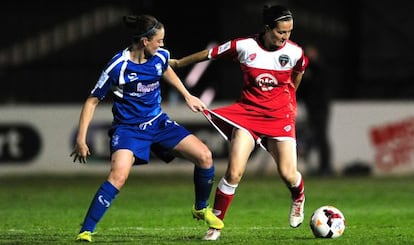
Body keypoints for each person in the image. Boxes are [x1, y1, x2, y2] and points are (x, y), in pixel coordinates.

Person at [70, 14, 223, 242]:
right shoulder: (117, 66)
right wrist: (81, 139)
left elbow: (165, 69)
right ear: (144, 41)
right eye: (159, 40)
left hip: (158, 123)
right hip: (128, 130)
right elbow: (92, 100)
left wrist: (187, 95)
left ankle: (201, 208)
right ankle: (86, 231)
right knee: (118, 177)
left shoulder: (160, 55)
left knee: (205, 156)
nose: (162, 45)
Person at [170, 5, 308, 240]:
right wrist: (180, 63)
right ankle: (215, 226)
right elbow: (210, 54)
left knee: (288, 173)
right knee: (234, 173)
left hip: (279, 116)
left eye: (289, 32)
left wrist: (290, 100)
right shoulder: (244, 46)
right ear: (267, 28)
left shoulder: (295, 52)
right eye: (281, 32)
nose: (286, 37)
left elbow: (299, 72)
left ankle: (298, 197)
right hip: (248, 114)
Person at [297, 44, 333, 176]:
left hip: (321, 107)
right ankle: (321, 167)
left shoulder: (320, 67)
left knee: (322, 137)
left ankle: (326, 167)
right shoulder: (307, 69)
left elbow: (319, 84)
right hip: (311, 107)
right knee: (315, 137)